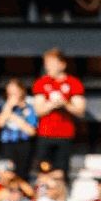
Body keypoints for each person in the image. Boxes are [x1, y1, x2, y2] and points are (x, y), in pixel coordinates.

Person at [30, 48, 85, 177]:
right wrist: (52, 104)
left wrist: (65, 103)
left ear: (62, 64)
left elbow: (80, 110)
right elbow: (38, 110)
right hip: (45, 133)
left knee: (61, 172)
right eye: (46, 63)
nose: (48, 66)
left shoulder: (73, 83)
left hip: (65, 134)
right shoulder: (41, 83)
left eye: (51, 63)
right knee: (43, 170)